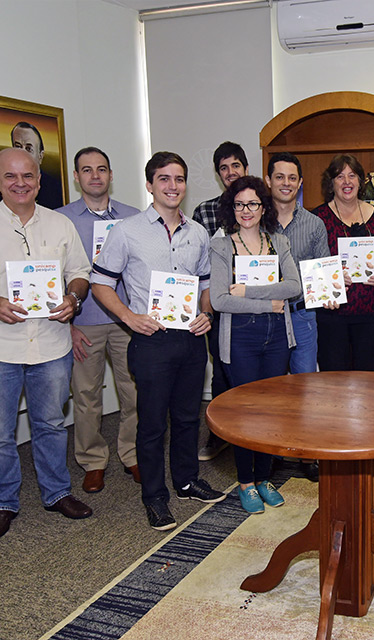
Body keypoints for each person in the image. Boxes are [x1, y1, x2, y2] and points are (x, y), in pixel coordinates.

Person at [0, 148, 93, 541]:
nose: (20, 183)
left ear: (39, 181)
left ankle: (57, 493)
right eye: (11, 176)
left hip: (50, 344)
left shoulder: (60, 225)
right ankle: (3, 502)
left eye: (28, 176)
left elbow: (79, 272)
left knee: (51, 425)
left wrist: (73, 299)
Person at [92, 151, 225, 532]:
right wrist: (129, 317)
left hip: (190, 339)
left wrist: (207, 313)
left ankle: (186, 481)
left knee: (187, 417)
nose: (172, 186)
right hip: (150, 342)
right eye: (163, 179)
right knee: (151, 424)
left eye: (179, 179)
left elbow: (203, 285)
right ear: (150, 185)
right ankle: (154, 496)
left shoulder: (198, 233)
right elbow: (101, 283)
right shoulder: (127, 230)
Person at [210, 175, 301, 514]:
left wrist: (247, 291)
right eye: (239, 204)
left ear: (264, 207)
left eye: (252, 204)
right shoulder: (222, 246)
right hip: (241, 338)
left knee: (272, 411)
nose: (246, 211)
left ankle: (264, 478)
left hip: (278, 334)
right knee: (246, 414)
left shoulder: (279, 242)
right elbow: (219, 300)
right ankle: (246, 482)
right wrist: (266, 302)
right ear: (231, 208)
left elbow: (292, 286)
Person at [57, 147, 141, 494]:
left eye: (102, 169)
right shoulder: (61, 220)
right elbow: (54, 276)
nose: (95, 175)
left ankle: (132, 454)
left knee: (134, 391)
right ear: (77, 177)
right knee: (86, 395)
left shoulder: (134, 217)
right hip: (84, 321)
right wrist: (68, 326)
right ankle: (92, 460)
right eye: (87, 170)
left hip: (126, 319)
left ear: (110, 175)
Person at [266, 152, 330, 481]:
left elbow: (322, 272)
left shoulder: (314, 224)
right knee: (274, 388)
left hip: (303, 315)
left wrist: (330, 292)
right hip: (269, 318)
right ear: (269, 181)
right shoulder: (256, 221)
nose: (286, 183)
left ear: (300, 183)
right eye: (280, 177)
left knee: (305, 387)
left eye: (292, 178)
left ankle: (306, 454)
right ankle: (274, 453)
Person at [194, 141, 249, 462]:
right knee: (222, 373)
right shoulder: (204, 211)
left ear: (245, 168)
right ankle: (219, 435)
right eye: (224, 168)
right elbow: (196, 260)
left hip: (256, 305)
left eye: (236, 166)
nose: (230, 173)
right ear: (219, 174)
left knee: (261, 376)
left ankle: (260, 436)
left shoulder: (260, 204)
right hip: (219, 306)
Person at [311, 154, 374, 372]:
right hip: (332, 314)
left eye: (352, 175)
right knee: (334, 382)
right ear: (331, 183)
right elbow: (310, 264)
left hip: (371, 314)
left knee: (369, 380)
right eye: (340, 176)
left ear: (361, 181)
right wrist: (331, 276)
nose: (347, 182)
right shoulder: (317, 218)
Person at [11, 121, 64, 209]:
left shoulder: (55, 189)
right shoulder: (5, 185)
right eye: (18, 147)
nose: (23, 153)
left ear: (40, 156)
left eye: (28, 148)